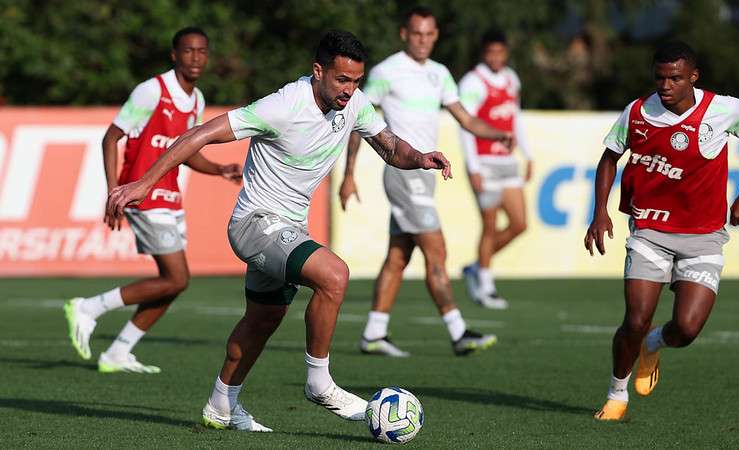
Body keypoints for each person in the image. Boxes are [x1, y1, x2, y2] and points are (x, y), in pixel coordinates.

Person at [106, 30, 454, 432]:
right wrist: (144, 183)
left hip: (287, 227)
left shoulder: (355, 104)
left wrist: (420, 158)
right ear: (318, 71)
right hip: (255, 223)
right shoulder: (283, 105)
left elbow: (391, 148)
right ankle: (319, 382)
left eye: (356, 81)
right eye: (342, 80)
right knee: (334, 275)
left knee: (263, 318)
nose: (349, 90)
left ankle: (221, 405)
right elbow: (198, 135)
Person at [586, 41, 739, 421]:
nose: (665, 85)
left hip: (704, 236)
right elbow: (610, 158)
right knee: (636, 319)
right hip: (650, 230)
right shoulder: (637, 112)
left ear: (693, 77)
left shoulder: (724, 109)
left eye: (675, 77)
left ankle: (653, 344)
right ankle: (616, 394)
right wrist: (600, 212)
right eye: (660, 77)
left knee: (687, 329)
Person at [64, 27, 242, 373]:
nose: (196, 58)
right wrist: (114, 190)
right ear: (174, 55)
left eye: (202, 51)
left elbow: (185, 153)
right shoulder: (151, 91)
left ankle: (118, 352)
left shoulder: (197, 100)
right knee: (177, 278)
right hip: (142, 195)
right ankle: (89, 307)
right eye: (188, 51)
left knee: (170, 284)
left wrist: (220, 169)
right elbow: (110, 138)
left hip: (170, 196)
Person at [339, 6, 512, 358]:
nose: (423, 40)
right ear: (405, 34)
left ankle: (374, 333)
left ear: (436, 36)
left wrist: (497, 133)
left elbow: (465, 118)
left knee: (398, 256)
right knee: (437, 251)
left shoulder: (440, 74)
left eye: (429, 34)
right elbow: (360, 120)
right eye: (417, 33)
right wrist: (349, 174)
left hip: (425, 176)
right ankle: (458, 331)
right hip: (403, 175)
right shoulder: (387, 71)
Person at [458, 30, 534, 310]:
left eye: (500, 52)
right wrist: (473, 166)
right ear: (483, 53)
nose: (496, 58)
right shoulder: (472, 82)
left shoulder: (512, 79)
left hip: (507, 163)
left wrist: (528, 154)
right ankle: (486, 287)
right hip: (484, 163)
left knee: (519, 224)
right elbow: (465, 126)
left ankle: (476, 267)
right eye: (491, 52)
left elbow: (516, 119)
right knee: (489, 226)